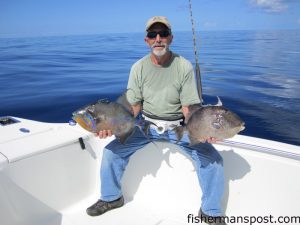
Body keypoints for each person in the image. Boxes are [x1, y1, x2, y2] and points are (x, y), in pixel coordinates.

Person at [86, 16, 226, 225]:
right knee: (111, 152)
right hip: (146, 126)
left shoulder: (183, 66)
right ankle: (112, 198)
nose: (158, 38)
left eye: (163, 34)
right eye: (153, 34)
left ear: (170, 38)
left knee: (213, 160)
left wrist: (202, 130)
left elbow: (188, 108)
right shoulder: (138, 68)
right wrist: (111, 127)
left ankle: (210, 212)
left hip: (180, 126)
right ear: (147, 40)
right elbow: (133, 107)